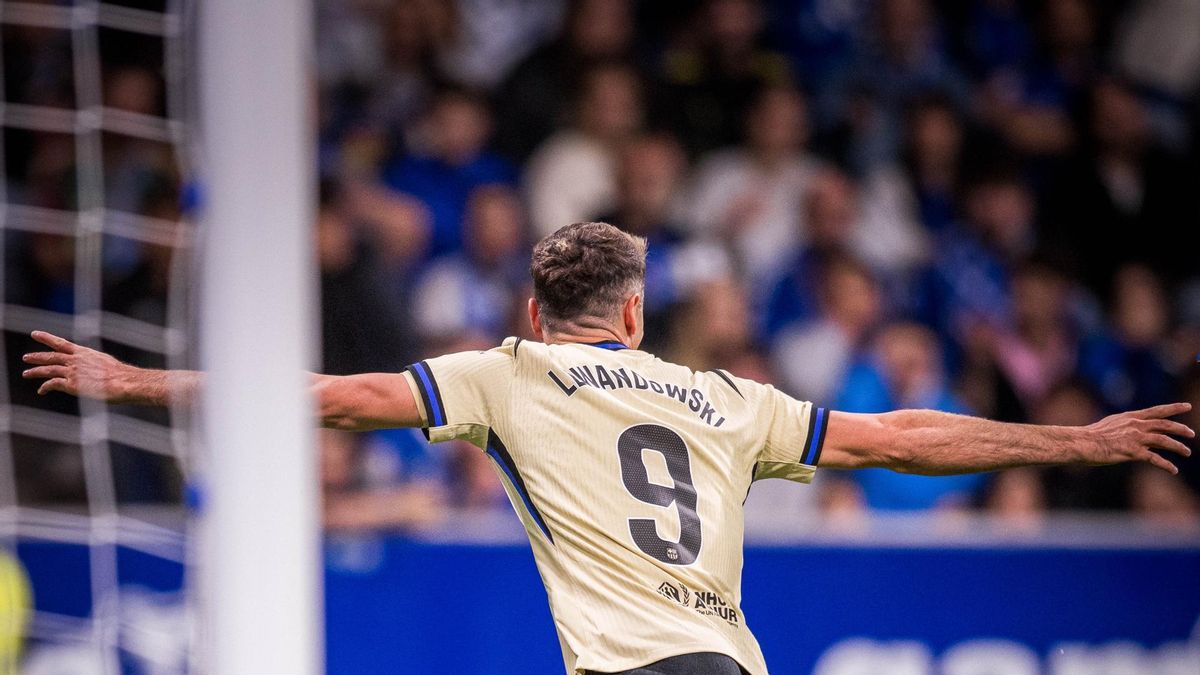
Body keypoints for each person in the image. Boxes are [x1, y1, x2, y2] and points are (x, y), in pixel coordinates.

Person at [19, 221, 1194, 675]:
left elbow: (318, 395)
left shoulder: (505, 375)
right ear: (636, 313)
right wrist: (1077, 442)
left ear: (539, 313)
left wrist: (136, 380)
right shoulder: (725, 396)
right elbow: (901, 438)